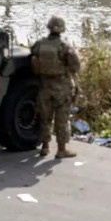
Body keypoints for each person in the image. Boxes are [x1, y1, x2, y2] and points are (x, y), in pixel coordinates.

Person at [31, 15, 80, 159]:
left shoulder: (39, 44)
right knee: (62, 119)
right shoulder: (65, 47)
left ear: (49, 28)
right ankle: (61, 150)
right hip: (62, 88)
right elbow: (76, 66)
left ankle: (45, 147)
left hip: (44, 86)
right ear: (62, 30)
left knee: (45, 118)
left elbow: (32, 55)